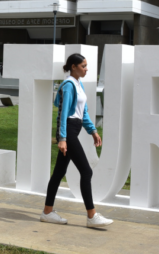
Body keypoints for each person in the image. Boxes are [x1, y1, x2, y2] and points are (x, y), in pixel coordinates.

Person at [41, 53, 112, 229]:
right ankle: (91, 216)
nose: (87, 69)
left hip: (75, 128)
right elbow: (63, 114)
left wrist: (93, 130)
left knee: (59, 172)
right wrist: (63, 138)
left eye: (87, 66)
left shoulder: (79, 85)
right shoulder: (68, 85)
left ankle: (47, 212)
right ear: (73, 66)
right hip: (69, 132)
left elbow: (83, 112)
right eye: (84, 66)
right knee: (86, 172)